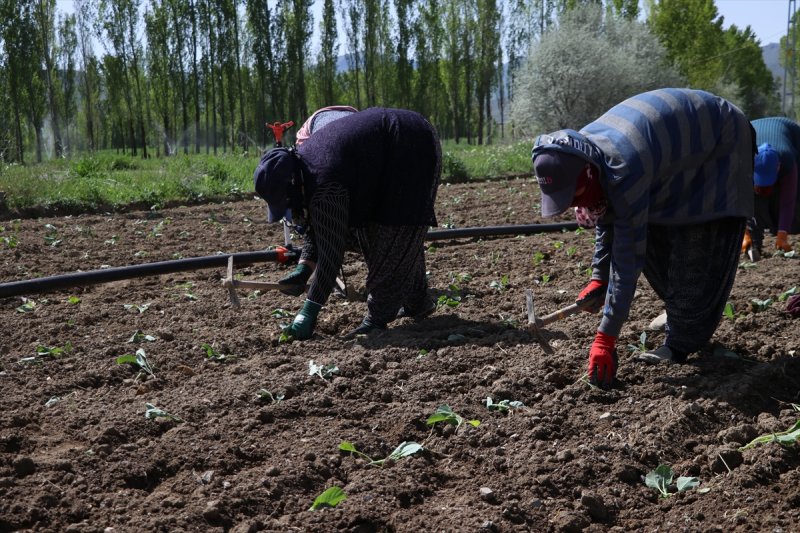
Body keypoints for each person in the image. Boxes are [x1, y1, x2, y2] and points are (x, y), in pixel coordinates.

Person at [531, 88, 755, 388]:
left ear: (586, 175)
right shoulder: (579, 150)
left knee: (699, 242)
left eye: (573, 197)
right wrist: (599, 278)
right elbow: (607, 215)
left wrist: (605, 338)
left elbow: (627, 259)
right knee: (657, 237)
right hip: (673, 156)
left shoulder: (624, 165)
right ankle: (680, 313)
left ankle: (680, 343)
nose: (574, 207)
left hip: (719, 142)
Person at [254, 107, 441, 340]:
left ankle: (377, 320)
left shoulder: (324, 184)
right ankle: (418, 301)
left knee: (392, 233)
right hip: (394, 145)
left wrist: (309, 309)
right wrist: (304, 267)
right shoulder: (306, 166)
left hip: (408, 145)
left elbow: (332, 253)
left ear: (292, 187)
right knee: (385, 234)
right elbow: (320, 226)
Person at [274, 106, 358, 296]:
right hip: (347, 173)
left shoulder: (312, 142)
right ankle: (304, 271)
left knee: (331, 224)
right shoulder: (319, 134)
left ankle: (311, 273)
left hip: (339, 179)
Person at [742, 117, 800, 258]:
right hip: (754, 128)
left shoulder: (787, 159)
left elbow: (788, 200)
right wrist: (744, 233)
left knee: (795, 192)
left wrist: (782, 233)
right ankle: (753, 243)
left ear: (778, 167)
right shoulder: (743, 158)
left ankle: (785, 229)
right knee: (756, 196)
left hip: (793, 135)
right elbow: (739, 198)